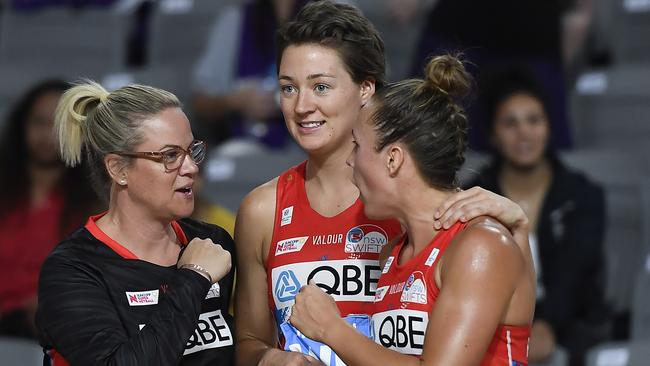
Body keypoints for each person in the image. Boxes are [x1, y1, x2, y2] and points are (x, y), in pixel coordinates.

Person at [234, 2, 531, 366]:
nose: (301, 106)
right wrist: (270, 359)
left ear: (366, 89)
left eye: (321, 86)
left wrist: (516, 228)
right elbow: (248, 342)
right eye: (288, 88)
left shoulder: (430, 220)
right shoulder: (266, 210)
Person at [289, 54, 536, 365]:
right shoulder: (393, 252)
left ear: (393, 159)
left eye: (357, 146)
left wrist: (331, 329)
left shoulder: (480, 245)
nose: (350, 160)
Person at [36, 81, 234, 365]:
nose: (191, 168)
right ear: (118, 169)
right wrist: (194, 277)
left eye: (192, 151)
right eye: (170, 156)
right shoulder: (72, 269)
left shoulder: (214, 243)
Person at [467, 69, 609, 365]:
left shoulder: (582, 195)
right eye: (510, 123)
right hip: (494, 320)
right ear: (493, 134)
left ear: (548, 127)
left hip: (571, 321)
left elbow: (575, 271)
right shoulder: (474, 196)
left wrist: (547, 326)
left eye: (534, 120)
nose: (524, 133)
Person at [0, 80, 99, 339]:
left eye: (59, 126)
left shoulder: (97, 199)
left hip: (54, 324)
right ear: (22, 125)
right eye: (39, 122)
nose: (48, 135)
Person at [192, 0, 309, 150]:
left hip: (312, 144)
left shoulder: (332, 13)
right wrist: (234, 101)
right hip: (249, 143)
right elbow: (200, 102)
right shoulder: (236, 20)